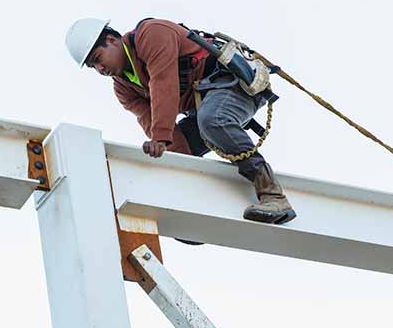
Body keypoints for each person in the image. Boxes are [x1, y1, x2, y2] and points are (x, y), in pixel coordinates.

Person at [65, 17, 296, 225]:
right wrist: (179, 172)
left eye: (98, 59)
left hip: (234, 86)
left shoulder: (151, 34)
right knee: (176, 153)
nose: (100, 68)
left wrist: (159, 138)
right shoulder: (123, 88)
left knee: (212, 120)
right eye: (93, 66)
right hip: (205, 108)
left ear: (112, 40)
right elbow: (153, 122)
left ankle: (273, 194)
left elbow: (164, 84)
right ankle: (200, 213)